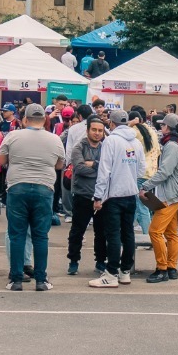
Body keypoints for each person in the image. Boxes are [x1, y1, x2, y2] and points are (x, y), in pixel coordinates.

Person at [0, 103, 67, 291]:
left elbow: (0, 160)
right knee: (40, 236)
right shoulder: (55, 139)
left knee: (17, 235)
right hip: (44, 189)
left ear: (25, 120)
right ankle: (41, 280)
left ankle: (16, 279)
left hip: (17, 188)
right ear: (44, 120)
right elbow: (60, 165)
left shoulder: (13, 136)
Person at [90, 108, 144, 287]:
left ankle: (111, 273)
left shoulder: (111, 141)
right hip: (131, 193)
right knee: (128, 233)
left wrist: (98, 196)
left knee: (113, 234)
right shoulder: (136, 142)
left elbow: (104, 171)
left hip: (113, 195)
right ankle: (125, 271)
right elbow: (142, 169)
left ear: (111, 124)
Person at [144, 112, 178, 283]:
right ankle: (171, 267)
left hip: (171, 194)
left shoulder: (171, 145)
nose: (160, 127)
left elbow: (165, 172)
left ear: (168, 127)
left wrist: (145, 186)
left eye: (162, 125)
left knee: (154, 231)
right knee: (171, 233)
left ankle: (161, 269)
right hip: (176, 193)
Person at [66, 117, 108, 276]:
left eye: (100, 130)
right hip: (82, 195)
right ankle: (73, 261)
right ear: (87, 130)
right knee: (77, 231)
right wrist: (99, 166)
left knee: (102, 232)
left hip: (102, 196)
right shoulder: (79, 147)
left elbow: (109, 170)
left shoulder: (106, 147)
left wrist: (92, 163)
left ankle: (100, 261)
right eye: (94, 130)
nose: (97, 133)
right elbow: (79, 168)